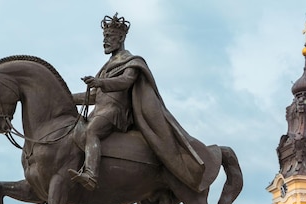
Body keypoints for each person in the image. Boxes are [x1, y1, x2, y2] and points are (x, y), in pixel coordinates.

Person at [70, 13, 206, 192]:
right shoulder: (105, 67)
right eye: (104, 37)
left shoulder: (132, 62)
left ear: (121, 38)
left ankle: (91, 175)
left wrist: (100, 83)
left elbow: (125, 82)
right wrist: (66, 98)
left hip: (115, 112)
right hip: (99, 110)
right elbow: (94, 96)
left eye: (109, 37)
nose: (105, 41)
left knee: (91, 132)